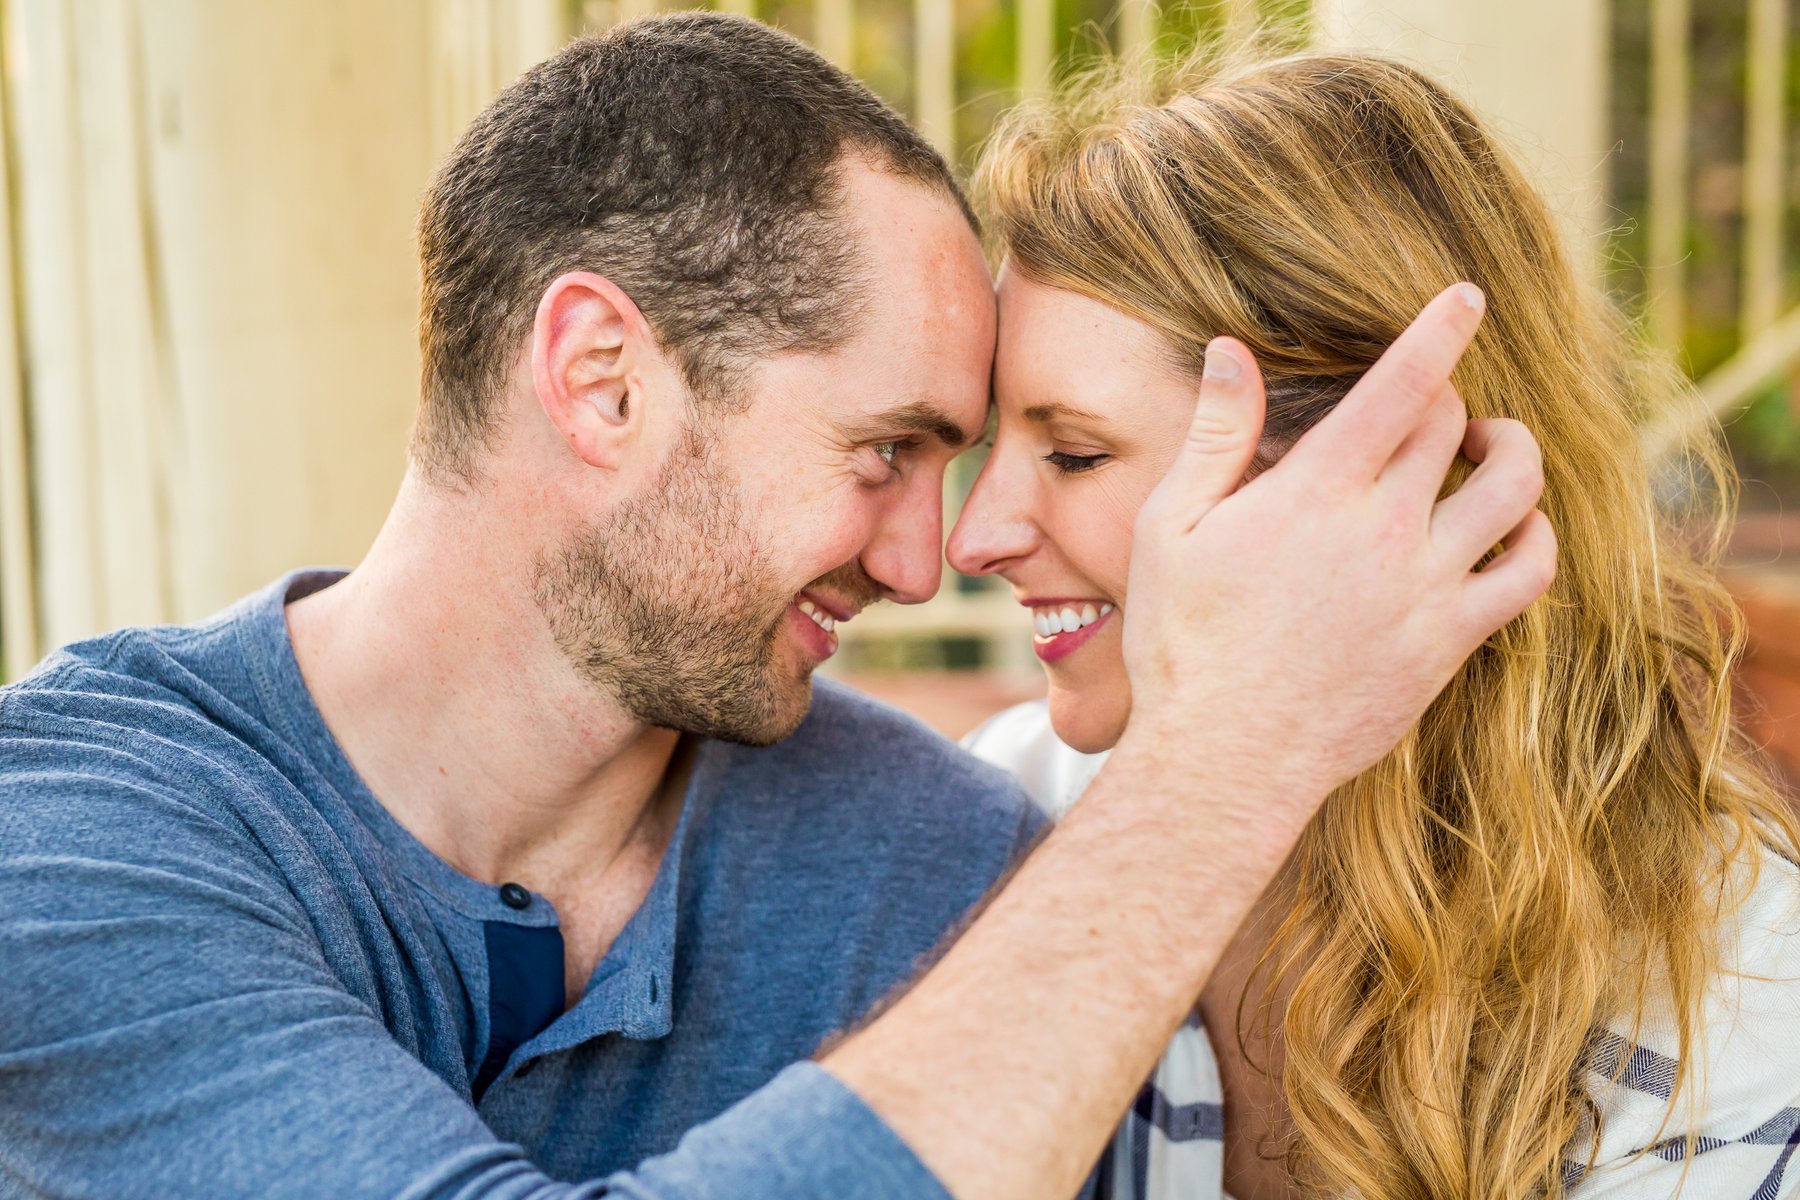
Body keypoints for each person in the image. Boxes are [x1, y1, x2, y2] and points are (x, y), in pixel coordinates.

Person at [0, 15, 1554, 1200]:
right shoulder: (74, 835)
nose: (927, 561)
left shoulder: (956, 865)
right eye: (886, 453)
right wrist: (1221, 763)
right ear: (602, 382)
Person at [952, 47, 1800, 1200]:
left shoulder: (1737, 995)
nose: (974, 537)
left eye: (1073, 452)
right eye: (986, 446)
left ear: (1382, 479)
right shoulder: (991, 816)